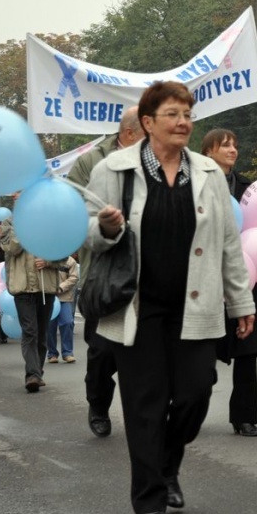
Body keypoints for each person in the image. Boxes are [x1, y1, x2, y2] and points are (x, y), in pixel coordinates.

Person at [84, 80, 255, 514]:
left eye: (187, 115)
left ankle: (166, 464)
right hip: (137, 307)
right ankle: (149, 497)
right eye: (173, 115)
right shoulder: (114, 170)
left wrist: (241, 301)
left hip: (194, 305)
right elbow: (87, 235)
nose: (183, 123)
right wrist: (105, 228)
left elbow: (228, 242)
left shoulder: (208, 173)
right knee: (145, 402)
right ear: (147, 122)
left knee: (197, 392)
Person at [68, 105, 145, 438]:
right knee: (102, 353)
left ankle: (144, 417)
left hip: (146, 275)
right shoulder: (91, 162)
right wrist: (104, 224)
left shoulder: (161, 161)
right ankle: (98, 404)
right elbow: (73, 213)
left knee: (144, 352)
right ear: (129, 133)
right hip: (104, 272)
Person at [201, 128, 257, 437]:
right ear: (208, 151)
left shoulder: (249, 189)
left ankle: (245, 417)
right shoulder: (194, 186)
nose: (232, 149)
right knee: (201, 353)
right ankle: (189, 407)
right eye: (225, 145)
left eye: (235, 144)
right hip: (205, 279)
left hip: (243, 274)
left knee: (247, 351)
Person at [0, 215, 66, 392]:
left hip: (46, 288)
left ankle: (38, 372)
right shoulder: (9, 223)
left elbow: (64, 256)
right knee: (30, 331)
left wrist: (48, 261)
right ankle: (32, 375)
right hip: (22, 288)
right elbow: (11, 248)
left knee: (42, 332)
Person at [46, 254, 78, 364]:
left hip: (65, 297)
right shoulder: (45, 257)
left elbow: (74, 277)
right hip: (49, 297)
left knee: (68, 322)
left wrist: (61, 287)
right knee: (50, 326)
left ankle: (68, 353)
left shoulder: (70, 261)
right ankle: (52, 353)